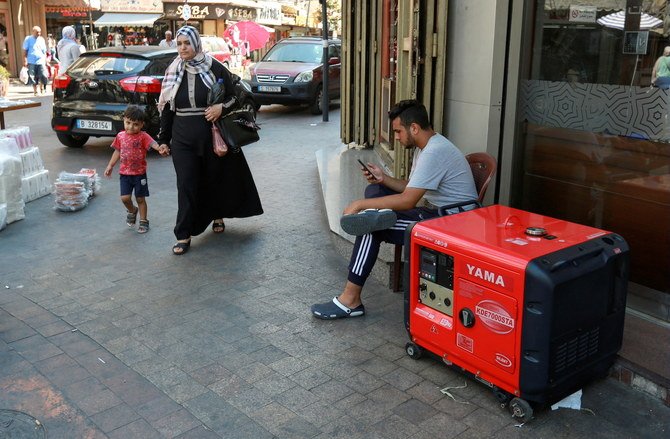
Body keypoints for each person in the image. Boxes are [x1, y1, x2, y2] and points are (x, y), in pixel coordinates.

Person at [310, 100, 478, 319]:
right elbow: (411, 187)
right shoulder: (428, 146)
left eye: (398, 131)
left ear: (414, 128)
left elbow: (408, 200)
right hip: (438, 214)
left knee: (371, 227)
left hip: (450, 224)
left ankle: (350, 300)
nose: (396, 137)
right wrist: (383, 179)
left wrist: (358, 205)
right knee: (375, 191)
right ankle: (373, 215)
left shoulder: (434, 152)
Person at [157, 25, 263, 255]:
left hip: (212, 136)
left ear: (196, 44)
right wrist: (163, 139)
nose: (183, 48)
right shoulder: (173, 70)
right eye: (180, 44)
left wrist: (219, 107)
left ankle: (217, 214)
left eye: (187, 43)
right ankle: (183, 234)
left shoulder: (214, 66)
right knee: (185, 184)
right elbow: (166, 107)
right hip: (183, 138)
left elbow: (238, 95)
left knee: (214, 178)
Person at [104, 105, 169, 234]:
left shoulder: (143, 136)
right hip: (125, 174)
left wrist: (160, 148)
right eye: (128, 123)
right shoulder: (120, 136)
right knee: (125, 198)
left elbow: (153, 144)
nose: (131, 127)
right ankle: (132, 210)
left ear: (141, 125)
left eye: (135, 124)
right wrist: (110, 165)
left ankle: (144, 221)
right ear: (124, 120)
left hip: (139, 174)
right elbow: (117, 151)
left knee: (140, 198)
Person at [23, 26, 48, 96]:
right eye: (37, 32)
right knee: (33, 76)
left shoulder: (41, 39)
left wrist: (46, 60)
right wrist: (25, 60)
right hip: (31, 61)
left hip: (41, 60)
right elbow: (25, 50)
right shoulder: (28, 39)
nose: (39, 33)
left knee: (43, 75)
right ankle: (35, 91)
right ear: (33, 32)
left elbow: (44, 51)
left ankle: (42, 88)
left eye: (40, 32)